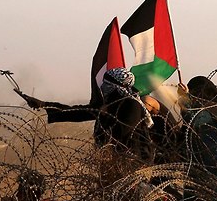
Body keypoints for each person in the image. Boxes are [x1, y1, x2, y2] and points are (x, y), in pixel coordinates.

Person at [16, 67, 155, 163]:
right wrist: (43, 104)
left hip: (135, 160)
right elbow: (76, 112)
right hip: (114, 160)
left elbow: (123, 132)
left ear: (117, 87)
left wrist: (103, 115)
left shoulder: (131, 105)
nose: (103, 87)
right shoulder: (110, 104)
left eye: (107, 84)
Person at [178, 76, 217, 182]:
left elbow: (194, 120)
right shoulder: (211, 108)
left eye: (194, 92)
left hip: (213, 164)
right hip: (198, 164)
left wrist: (185, 99)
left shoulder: (215, 109)